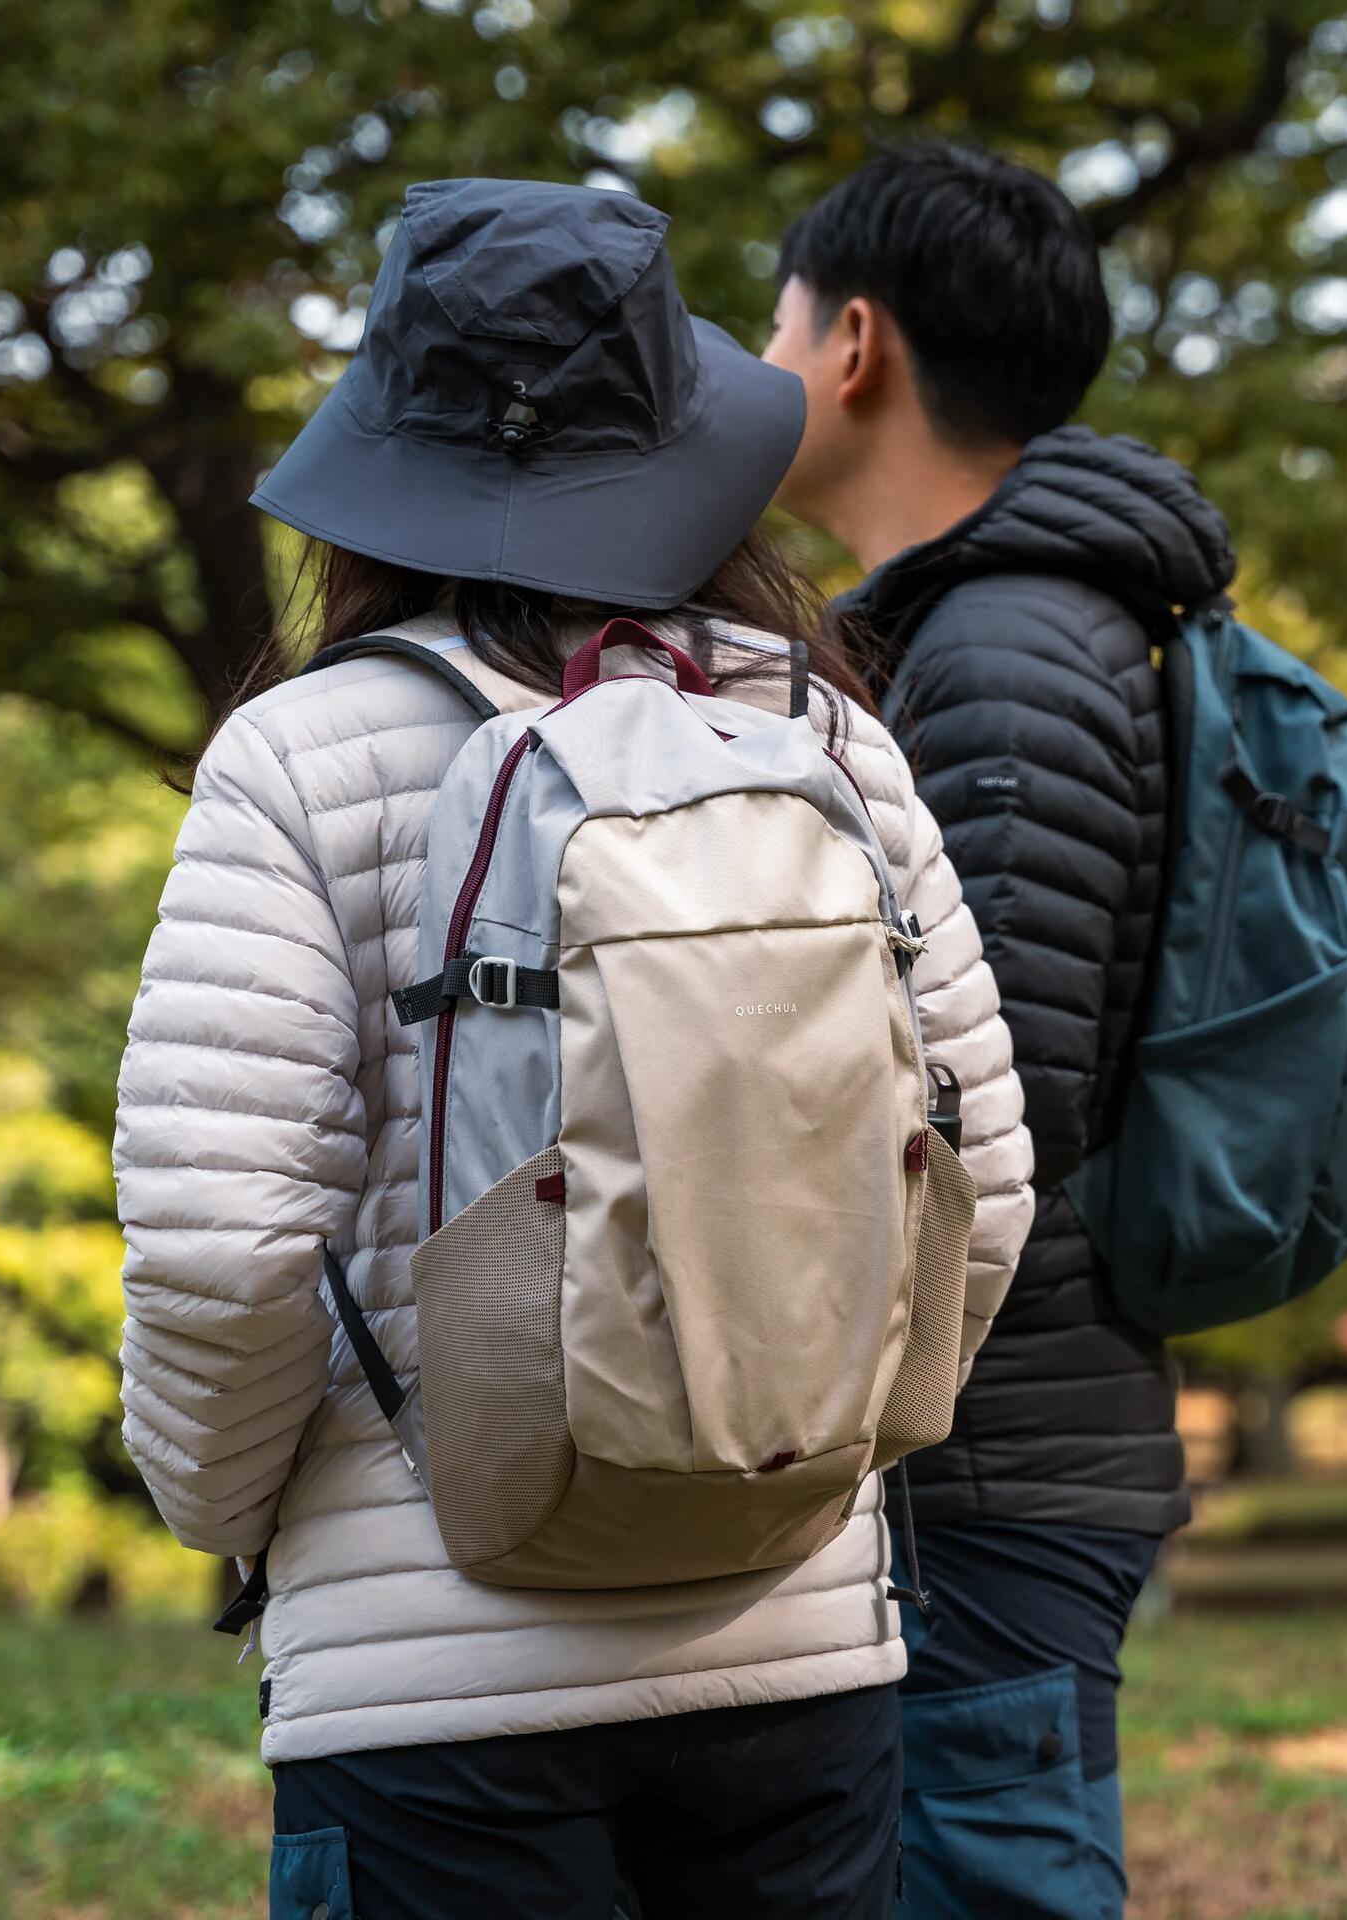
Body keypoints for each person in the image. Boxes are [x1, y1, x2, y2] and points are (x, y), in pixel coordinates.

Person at [113, 178, 1034, 1920]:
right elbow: (972, 1188)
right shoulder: (821, 736)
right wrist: (809, 1446)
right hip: (800, 1659)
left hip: (428, 1696)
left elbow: (224, 1249)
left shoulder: (293, 761)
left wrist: (250, 1516)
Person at [764, 143, 1238, 1917]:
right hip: (1010, 1434)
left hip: (994, 1452)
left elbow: (977, 1099)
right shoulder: (998, 627)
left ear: (856, 344)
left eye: (777, 323)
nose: (765, 362)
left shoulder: (1008, 646)